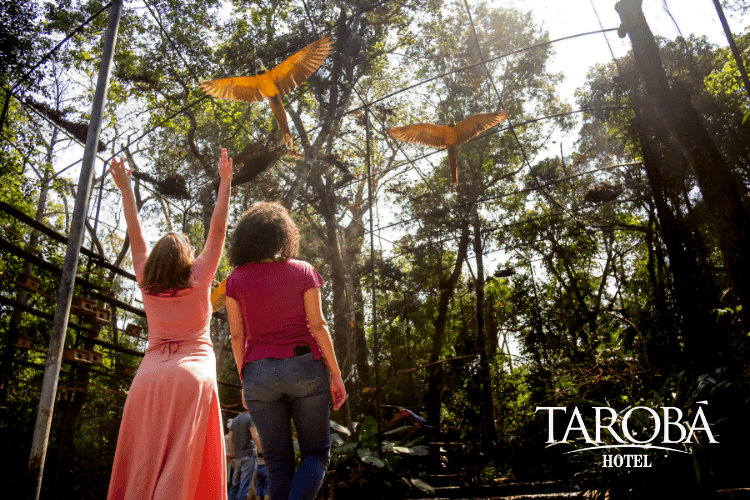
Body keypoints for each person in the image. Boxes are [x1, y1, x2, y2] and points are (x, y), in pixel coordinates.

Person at [107, 149, 233, 500]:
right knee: (181, 465)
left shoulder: (146, 276)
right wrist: (225, 182)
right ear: (187, 256)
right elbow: (219, 228)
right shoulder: (200, 274)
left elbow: (135, 233)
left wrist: (125, 189)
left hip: (148, 378)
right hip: (192, 375)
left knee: (143, 462)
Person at [224, 201, 346, 500]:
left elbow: (237, 335)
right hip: (304, 365)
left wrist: (245, 378)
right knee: (315, 454)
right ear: (283, 234)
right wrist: (336, 373)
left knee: (278, 461)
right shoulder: (304, 271)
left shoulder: (235, 280)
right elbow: (318, 326)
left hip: (258, 372)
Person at [228, 410, 259, 500]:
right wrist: (262, 448)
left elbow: (229, 438)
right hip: (249, 455)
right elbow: (254, 435)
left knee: (235, 485)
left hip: (237, 456)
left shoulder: (235, 420)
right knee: (244, 486)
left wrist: (232, 455)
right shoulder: (251, 417)